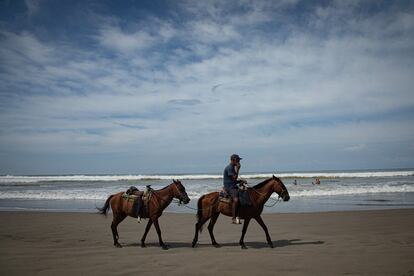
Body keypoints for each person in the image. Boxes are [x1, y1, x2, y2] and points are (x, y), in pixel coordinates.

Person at [223, 154, 246, 224]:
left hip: (233, 185)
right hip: (229, 187)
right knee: (236, 200)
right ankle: (233, 218)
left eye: (239, 160)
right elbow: (234, 178)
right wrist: (238, 169)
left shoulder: (233, 167)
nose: (239, 162)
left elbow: (234, 180)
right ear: (233, 160)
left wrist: (241, 181)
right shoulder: (229, 168)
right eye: (237, 160)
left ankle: (241, 214)